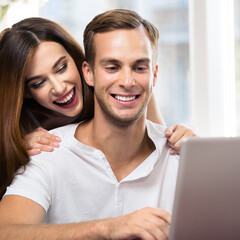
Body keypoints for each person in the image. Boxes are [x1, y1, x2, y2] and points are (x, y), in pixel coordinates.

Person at [0, 9, 186, 239]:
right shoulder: (44, 153)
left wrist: (183, 147)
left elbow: (158, 137)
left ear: (80, 66)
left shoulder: (134, 96)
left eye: (61, 67)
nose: (59, 87)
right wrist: (19, 144)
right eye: (39, 82)